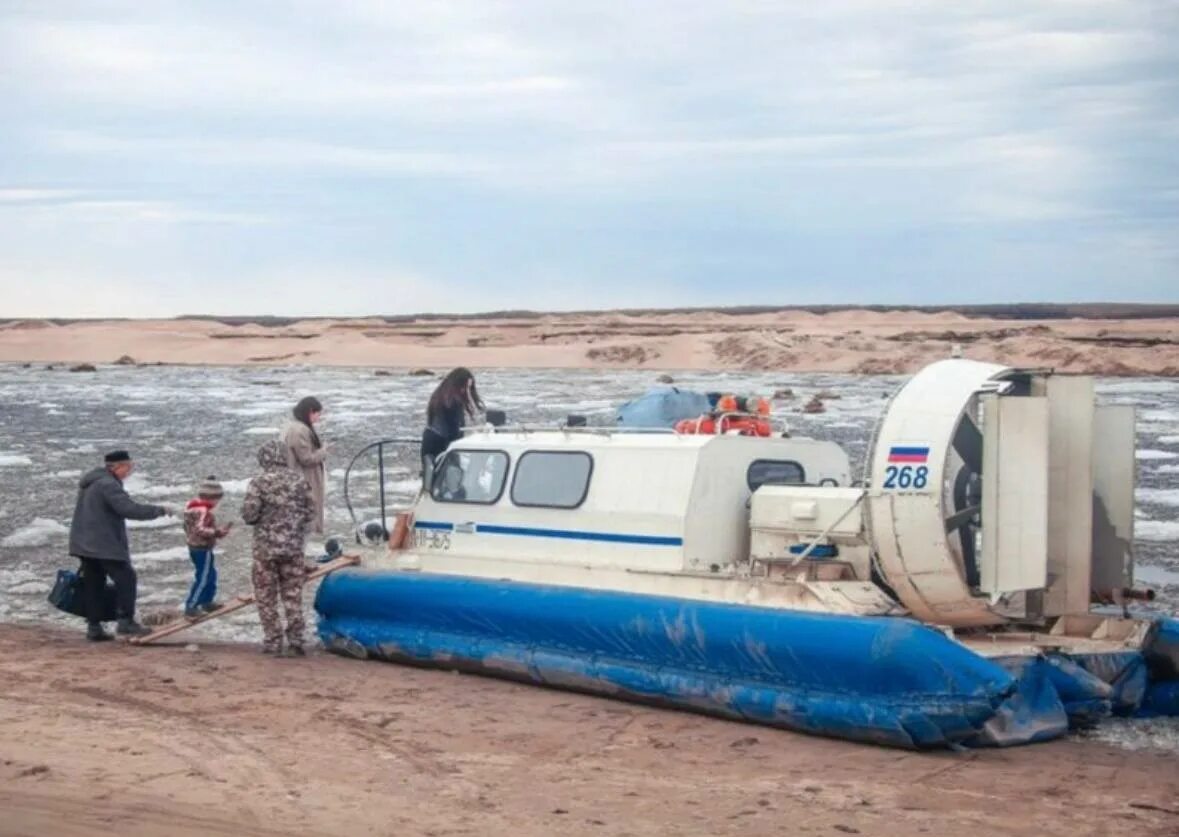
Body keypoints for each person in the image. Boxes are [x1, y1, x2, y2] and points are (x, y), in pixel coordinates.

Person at [67, 450, 173, 641]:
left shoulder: (92, 482)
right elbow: (128, 509)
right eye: (128, 467)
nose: (129, 472)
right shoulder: (108, 484)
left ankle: (94, 627)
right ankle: (125, 622)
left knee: (94, 584)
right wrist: (159, 510)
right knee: (126, 579)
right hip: (102, 543)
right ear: (116, 466)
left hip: (84, 542)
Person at [241, 439, 315, 656]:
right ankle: (296, 641)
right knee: (292, 595)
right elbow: (311, 513)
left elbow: (249, 514)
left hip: (265, 549)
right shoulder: (300, 481)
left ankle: (273, 641)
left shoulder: (259, 482)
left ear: (263, 458)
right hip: (293, 548)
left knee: (266, 597)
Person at [421, 368, 484, 480]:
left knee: (433, 476)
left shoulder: (441, 395)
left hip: (431, 440)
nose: (465, 391)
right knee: (449, 477)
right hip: (441, 443)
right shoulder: (451, 402)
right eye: (466, 387)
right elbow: (453, 432)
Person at [182, 476, 231, 618]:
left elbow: (189, 528)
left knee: (211, 575)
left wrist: (217, 533)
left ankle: (207, 601)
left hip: (195, 546)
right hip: (202, 548)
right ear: (212, 498)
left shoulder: (191, 507)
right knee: (203, 577)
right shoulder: (202, 510)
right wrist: (216, 532)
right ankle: (191, 607)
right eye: (217, 499)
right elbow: (199, 529)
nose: (217, 503)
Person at [283, 396, 327, 535]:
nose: (318, 418)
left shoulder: (296, 427)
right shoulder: (299, 430)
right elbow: (306, 459)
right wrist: (323, 452)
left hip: (301, 479)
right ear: (310, 412)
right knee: (305, 520)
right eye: (317, 414)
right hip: (304, 480)